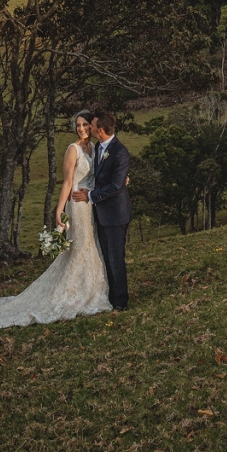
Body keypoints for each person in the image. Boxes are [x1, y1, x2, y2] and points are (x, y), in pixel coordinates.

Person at [0, 110, 111, 329]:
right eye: (78, 125)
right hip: (77, 205)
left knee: (93, 246)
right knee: (79, 248)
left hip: (91, 204)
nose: (81, 129)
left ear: (92, 127)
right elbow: (66, 182)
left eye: (84, 125)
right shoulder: (72, 150)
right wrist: (59, 211)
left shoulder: (94, 148)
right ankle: (73, 294)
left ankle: (93, 290)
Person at [72, 110, 132, 311]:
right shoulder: (99, 146)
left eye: (92, 125)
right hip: (101, 213)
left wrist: (89, 196)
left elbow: (115, 186)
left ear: (101, 130)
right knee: (105, 257)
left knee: (116, 259)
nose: (89, 127)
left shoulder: (120, 151)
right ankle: (109, 295)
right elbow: (101, 177)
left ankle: (120, 301)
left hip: (116, 214)